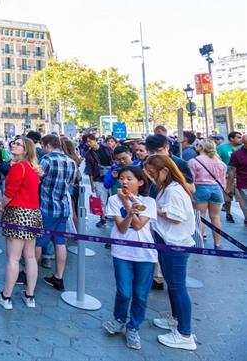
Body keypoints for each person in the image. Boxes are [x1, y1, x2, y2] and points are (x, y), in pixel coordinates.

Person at [143, 155, 197, 351]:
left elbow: (176, 217)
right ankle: (176, 319)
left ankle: (185, 333)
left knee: (177, 286)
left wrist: (154, 209)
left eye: (152, 173)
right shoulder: (168, 188)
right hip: (167, 241)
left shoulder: (174, 191)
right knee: (173, 285)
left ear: (165, 171)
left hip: (175, 243)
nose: (150, 177)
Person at [101, 166, 157, 350]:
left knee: (140, 294)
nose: (124, 182)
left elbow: (140, 226)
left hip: (146, 254)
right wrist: (128, 207)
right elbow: (123, 228)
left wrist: (129, 205)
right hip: (122, 251)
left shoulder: (149, 201)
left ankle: (133, 327)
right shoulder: (112, 200)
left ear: (140, 182)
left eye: (130, 179)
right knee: (124, 291)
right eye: (123, 178)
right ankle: (118, 319)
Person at [0, 137, 41, 310]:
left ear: (26, 149)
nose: (14, 145)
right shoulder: (32, 168)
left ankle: (6, 296)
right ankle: (30, 295)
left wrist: (1, 204)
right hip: (33, 213)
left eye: (18, 144)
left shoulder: (18, 168)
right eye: (14, 142)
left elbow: (9, 193)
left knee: (13, 258)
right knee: (29, 257)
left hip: (17, 213)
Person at [36, 134, 77, 292]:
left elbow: (37, 180)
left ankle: (29, 272)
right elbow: (72, 183)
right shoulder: (71, 162)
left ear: (47, 146)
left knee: (39, 241)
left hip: (47, 207)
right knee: (60, 243)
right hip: (63, 207)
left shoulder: (46, 160)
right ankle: (59, 276)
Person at [188, 139, 227, 247]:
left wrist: (190, 194)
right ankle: (217, 243)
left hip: (200, 188)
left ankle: (199, 243)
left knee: (200, 217)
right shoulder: (220, 162)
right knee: (216, 217)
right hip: (216, 189)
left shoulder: (194, 161)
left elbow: (191, 179)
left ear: (201, 147)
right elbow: (223, 180)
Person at [83, 133, 114, 227]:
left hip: (111, 176)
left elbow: (113, 159)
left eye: (90, 141)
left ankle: (115, 217)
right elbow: (90, 169)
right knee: (101, 200)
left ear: (95, 140)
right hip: (98, 179)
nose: (89, 143)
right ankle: (102, 219)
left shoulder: (106, 148)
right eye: (86, 142)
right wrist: (92, 184)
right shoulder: (88, 154)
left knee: (113, 198)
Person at [218, 131, 242, 223]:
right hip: (227, 176)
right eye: (238, 137)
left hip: (241, 177)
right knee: (228, 198)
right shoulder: (221, 147)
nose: (240, 139)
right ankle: (228, 213)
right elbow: (216, 158)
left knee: (242, 199)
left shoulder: (242, 148)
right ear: (232, 138)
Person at [60, 136, 83, 231]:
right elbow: (79, 177)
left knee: (72, 212)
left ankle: (76, 233)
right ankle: (77, 232)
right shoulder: (74, 158)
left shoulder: (66, 160)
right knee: (75, 211)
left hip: (70, 188)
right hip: (75, 187)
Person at [226, 131, 247, 226]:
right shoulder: (236, 154)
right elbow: (232, 171)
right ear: (244, 143)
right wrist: (229, 187)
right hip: (243, 184)